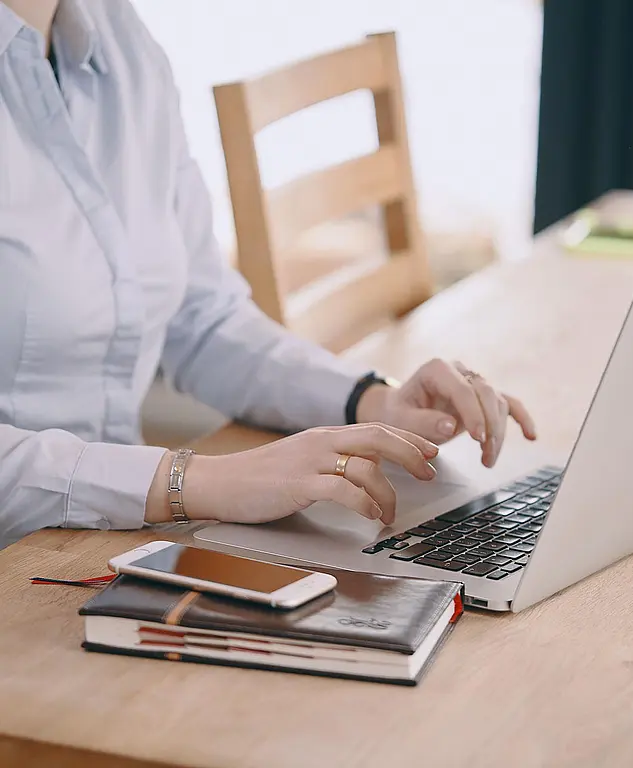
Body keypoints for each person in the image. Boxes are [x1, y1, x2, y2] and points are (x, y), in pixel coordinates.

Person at [0, 0, 536, 551]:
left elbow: (201, 318)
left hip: (103, 538)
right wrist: (199, 481)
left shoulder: (121, 41)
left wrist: (373, 402)